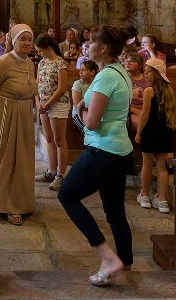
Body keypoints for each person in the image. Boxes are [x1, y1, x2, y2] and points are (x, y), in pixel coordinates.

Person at [58, 25, 134, 287]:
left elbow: (91, 123)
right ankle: (125, 263)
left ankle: (107, 257)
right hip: (120, 150)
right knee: (115, 211)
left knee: (67, 195)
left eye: (91, 43)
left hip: (104, 149)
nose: (87, 46)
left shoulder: (105, 78)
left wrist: (79, 107)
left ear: (103, 48)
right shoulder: (120, 72)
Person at [0, 24, 37, 226]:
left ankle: (18, 203)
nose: (27, 43)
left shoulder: (30, 63)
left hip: (24, 117)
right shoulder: (3, 62)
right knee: (1, 159)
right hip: (3, 117)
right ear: (13, 40)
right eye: (22, 39)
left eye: (29, 39)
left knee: (21, 160)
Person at [135, 58, 175, 214]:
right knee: (161, 167)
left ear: (158, 74)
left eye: (149, 71)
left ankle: (145, 195)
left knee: (146, 164)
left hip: (150, 131)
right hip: (165, 131)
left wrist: (138, 132)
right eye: (145, 70)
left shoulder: (148, 91)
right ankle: (162, 200)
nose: (145, 73)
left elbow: (144, 115)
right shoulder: (168, 90)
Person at [35, 34, 70, 192]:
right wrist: (38, 103)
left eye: (40, 50)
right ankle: (51, 171)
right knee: (49, 138)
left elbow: (61, 88)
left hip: (57, 104)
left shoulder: (60, 63)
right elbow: (37, 85)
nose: (39, 54)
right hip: (43, 105)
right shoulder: (42, 63)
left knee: (59, 140)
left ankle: (61, 175)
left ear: (49, 48)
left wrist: (47, 104)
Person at [124, 52, 149, 135]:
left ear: (140, 65)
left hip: (146, 110)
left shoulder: (146, 79)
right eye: (126, 60)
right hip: (130, 113)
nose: (128, 62)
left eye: (132, 60)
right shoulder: (122, 78)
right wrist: (137, 111)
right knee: (141, 123)